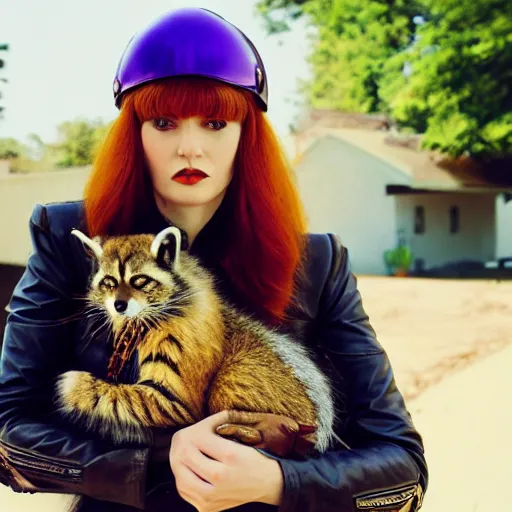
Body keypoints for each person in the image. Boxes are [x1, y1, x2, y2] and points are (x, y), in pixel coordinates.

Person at [0, 7, 427, 512]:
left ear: (246, 134)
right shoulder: (70, 239)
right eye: (163, 122)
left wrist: (277, 483)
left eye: (215, 122)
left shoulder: (316, 260)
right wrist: (153, 461)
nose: (189, 147)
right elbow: (9, 431)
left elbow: (402, 471)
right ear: (135, 133)